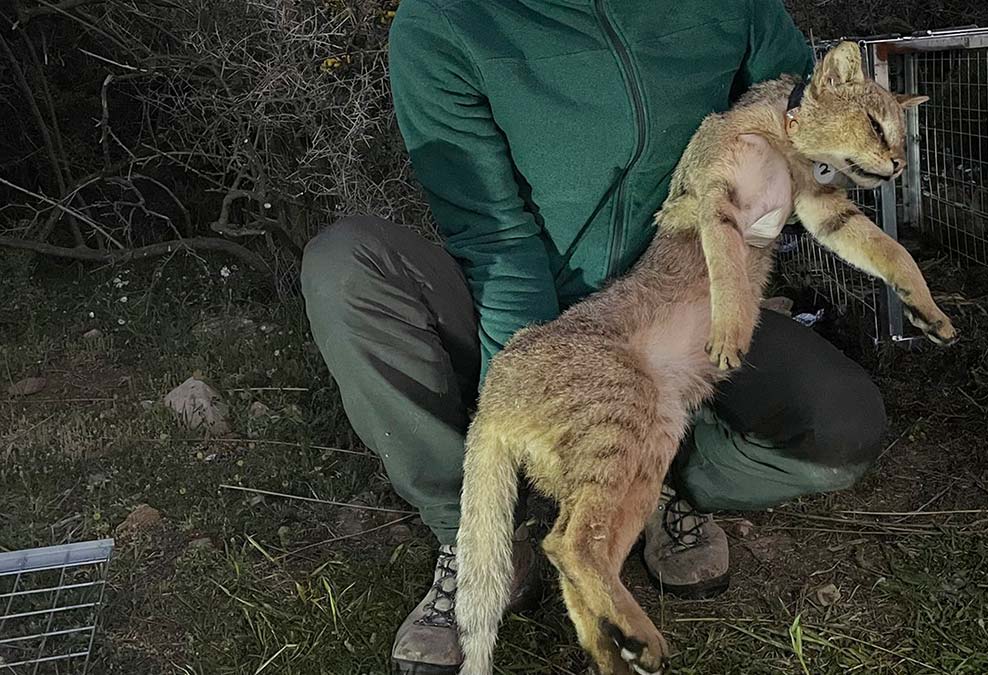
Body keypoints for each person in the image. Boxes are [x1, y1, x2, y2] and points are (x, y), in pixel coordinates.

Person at [300, 1, 887, 672]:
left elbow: (807, 106)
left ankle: (657, 481)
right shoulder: (444, 22)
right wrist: (542, 393)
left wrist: (794, 181)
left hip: (678, 296)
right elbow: (493, 235)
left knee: (842, 425)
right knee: (347, 265)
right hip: (527, 308)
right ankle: (479, 530)